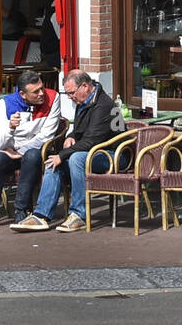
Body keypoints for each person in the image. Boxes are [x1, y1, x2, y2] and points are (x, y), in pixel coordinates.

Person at [11, 69, 116, 233]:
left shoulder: (104, 105)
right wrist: (71, 136)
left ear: (85, 86)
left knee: (75, 158)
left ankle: (78, 215)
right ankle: (41, 215)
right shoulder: (83, 100)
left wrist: (63, 154)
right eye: (67, 93)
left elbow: (92, 140)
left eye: (72, 93)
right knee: (53, 162)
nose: (70, 97)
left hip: (112, 154)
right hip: (92, 152)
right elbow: (82, 131)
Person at [0, 71, 61, 229]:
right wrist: (10, 128)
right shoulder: (6, 103)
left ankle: (21, 210)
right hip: (10, 150)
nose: (41, 93)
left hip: (36, 151)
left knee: (31, 156)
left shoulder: (53, 97)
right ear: (22, 94)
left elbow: (46, 136)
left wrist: (20, 151)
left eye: (42, 88)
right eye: (36, 91)